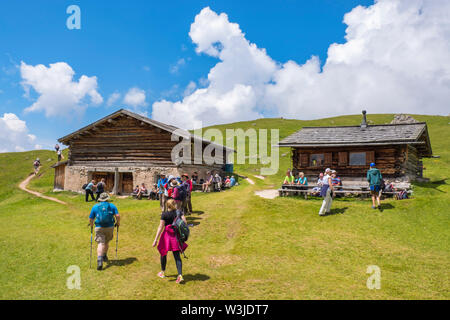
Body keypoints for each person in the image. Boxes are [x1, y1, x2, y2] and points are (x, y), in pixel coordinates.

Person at [152, 199, 187, 284]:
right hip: (176, 236)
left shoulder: (164, 214)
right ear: (175, 204)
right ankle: (180, 275)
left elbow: (160, 227)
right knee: (177, 256)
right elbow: (185, 222)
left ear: (166, 205)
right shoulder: (179, 212)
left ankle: (162, 272)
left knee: (163, 253)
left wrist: (155, 239)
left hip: (166, 236)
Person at [89, 193, 120, 271]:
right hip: (109, 227)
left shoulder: (95, 206)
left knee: (100, 243)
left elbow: (91, 218)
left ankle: (99, 260)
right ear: (107, 199)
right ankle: (104, 255)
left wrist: (92, 225)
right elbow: (118, 216)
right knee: (106, 242)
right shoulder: (112, 206)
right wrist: (118, 222)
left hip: (99, 227)